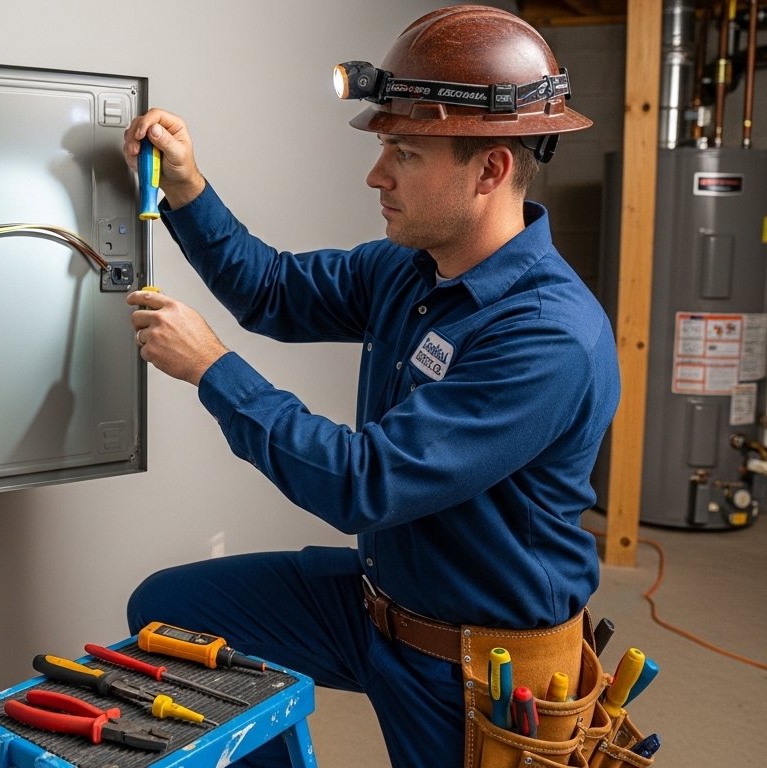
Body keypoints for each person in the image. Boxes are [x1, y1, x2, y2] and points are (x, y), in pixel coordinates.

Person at [123, 6, 620, 766]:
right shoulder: (411, 268)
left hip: (479, 666)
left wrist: (212, 369)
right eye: (387, 145)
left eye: (405, 153)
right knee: (171, 611)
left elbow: (366, 483)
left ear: (489, 169)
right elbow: (274, 291)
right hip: (377, 607)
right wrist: (187, 190)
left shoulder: (548, 337)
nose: (376, 174)